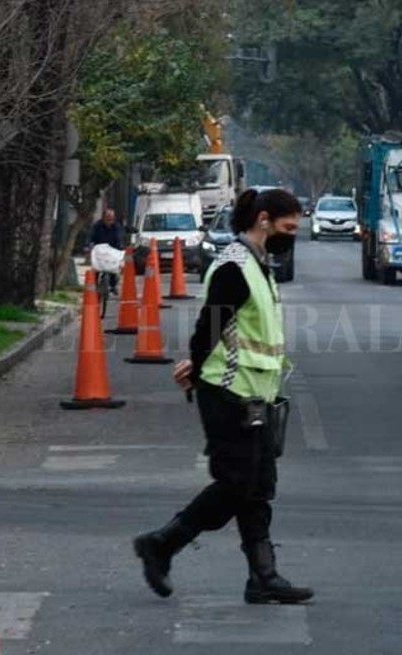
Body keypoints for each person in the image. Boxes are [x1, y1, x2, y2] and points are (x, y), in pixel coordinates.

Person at [133, 188, 313, 605]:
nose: (291, 236)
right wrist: (195, 369)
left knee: (258, 487)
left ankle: (263, 576)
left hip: (257, 395)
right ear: (264, 219)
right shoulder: (235, 266)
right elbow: (210, 326)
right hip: (228, 392)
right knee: (235, 484)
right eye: (288, 228)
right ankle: (162, 543)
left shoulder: (259, 264)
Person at [87, 208, 125, 292]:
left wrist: (120, 247)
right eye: (107, 219)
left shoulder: (117, 226)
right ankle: (94, 286)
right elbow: (90, 236)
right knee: (96, 268)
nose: (109, 222)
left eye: (111, 219)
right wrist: (89, 244)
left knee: (114, 269)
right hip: (100, 251)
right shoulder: (97, 226)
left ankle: (113, 285)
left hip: (112, 251)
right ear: (103, 218)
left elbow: (119, 238)